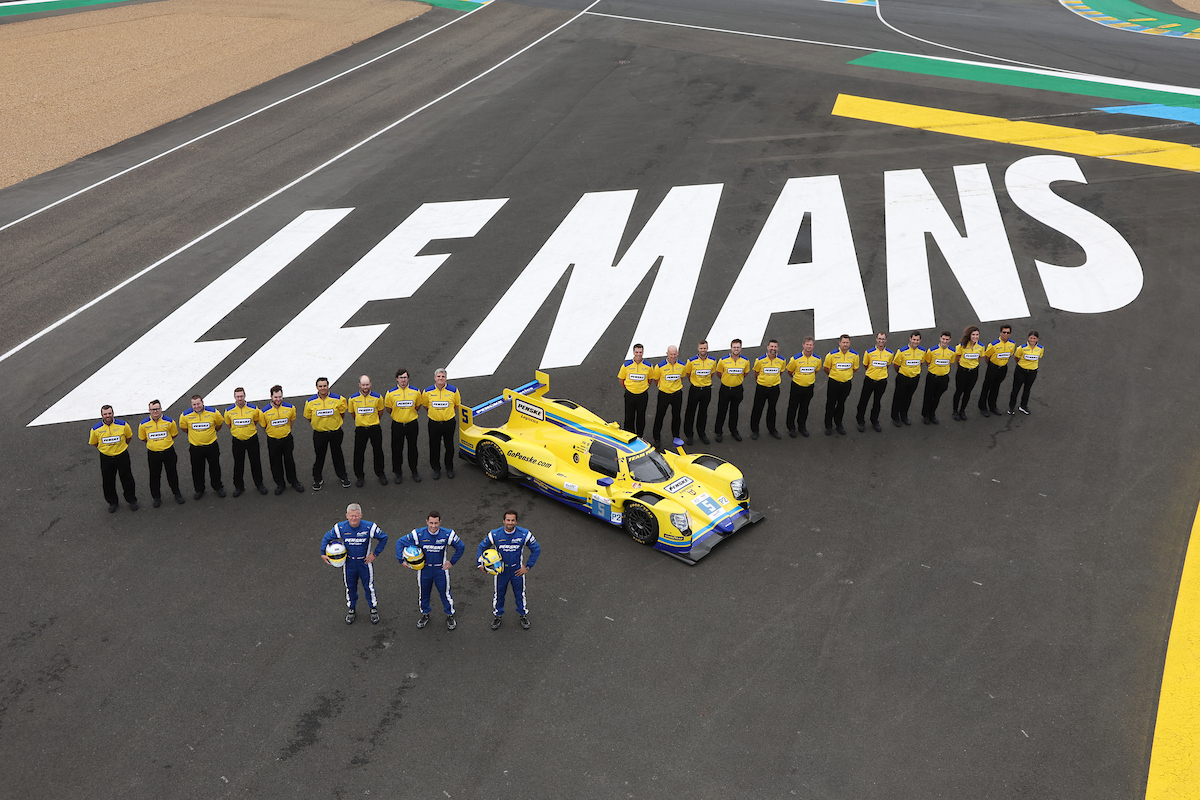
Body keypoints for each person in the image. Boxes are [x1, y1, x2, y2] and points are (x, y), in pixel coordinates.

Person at [394, 511, 465, 630]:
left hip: (440, 570)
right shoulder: (418, 534)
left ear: (440, 522)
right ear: (427, 522)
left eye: (436, 523)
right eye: (431, 523)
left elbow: (461, 547)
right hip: (424, 570)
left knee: (445, 593)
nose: (433, 526)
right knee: (424, 593)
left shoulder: (448, 534)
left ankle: (450, 615)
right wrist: (400, 560)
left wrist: (452, 562)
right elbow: (400, 542)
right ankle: (425, 614)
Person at [320, 503, 388, 625]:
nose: (354, 518)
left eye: (356, 516)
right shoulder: (340, 527)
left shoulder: (369, 527)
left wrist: (374, 554)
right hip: (349, 563)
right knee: (350, 587)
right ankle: (351, 609)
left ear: (361, 515)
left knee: (369, 587)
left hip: (364, 563)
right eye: (351, 516)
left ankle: (373, 609)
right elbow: (326, 537)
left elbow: (384, 537)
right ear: (347, 515)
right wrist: (322, 553)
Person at [476, 509, 541, 630]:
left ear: (516, 521)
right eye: (508, 520)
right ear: (503, 521)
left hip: (517, 571)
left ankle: (523, 614)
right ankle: (498, 615)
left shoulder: (524, 534)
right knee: (499, 595)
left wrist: (527, 566)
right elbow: (482, 546)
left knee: (520, 594)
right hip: (501, 572)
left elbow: (536, 549)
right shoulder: (495, 534)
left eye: (512, 520)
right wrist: (480, 564)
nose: (510, 523)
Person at [90, 404, 138, 512]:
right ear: (102, 415)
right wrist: (106, 450)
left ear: (113, 413)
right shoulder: (95, 429)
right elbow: (94, 443)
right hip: (106, 458)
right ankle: (112, 502)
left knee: (127, 479)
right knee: (108, 481)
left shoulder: (123, 425)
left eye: (109, 413)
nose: (108, 416)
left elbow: (129, 437)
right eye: (105, 414)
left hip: (122, 456)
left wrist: (121, 447)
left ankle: (132, 500)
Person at [304, 377, 349, 491]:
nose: (323, 388)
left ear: (328, 386)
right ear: (317, 387)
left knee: (337, 455)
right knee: (319, 457)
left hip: (335, 433)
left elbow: (342, 413)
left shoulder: (338, 399)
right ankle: (317, 479)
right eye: (320, 386)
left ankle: (343, 476)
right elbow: (309, 417)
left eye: (325, 385)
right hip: (319, 434)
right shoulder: (310, 402)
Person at [138, 399, 184, 507]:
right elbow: (143, 438)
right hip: (153, 454)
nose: (155, 411)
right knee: (154, 476)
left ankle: (177, 493)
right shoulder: (143, 424)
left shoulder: (169, 421)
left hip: (168, 452)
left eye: (157, 409)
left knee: (172, 474)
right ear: (149, 410)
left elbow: (174, 434)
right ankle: (156, 497)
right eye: (153, 409)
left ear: (161, 409)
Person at [261, 384, 304, 495]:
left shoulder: (290, 408)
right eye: (275, 397)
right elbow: (263, 426)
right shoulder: (264, 411)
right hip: (273, 440)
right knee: (275, 462)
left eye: (280, 397)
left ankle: (293, 481)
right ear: (271, 397)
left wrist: (285, 431)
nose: (278, 399)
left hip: (287, 439)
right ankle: (280, 484)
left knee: (289, 460)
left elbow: (291, 422)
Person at [179, 394, 225, 500]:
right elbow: (184, 428)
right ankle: (199, 489)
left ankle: (218, 487)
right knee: (197, 469)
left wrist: (211, 433)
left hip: (211, 446)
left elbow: (219, 424)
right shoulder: (185, 415)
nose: (196, 406)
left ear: (202, 402)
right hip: (196, 448)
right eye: (194, 404)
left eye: (198, 404)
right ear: (191, 405)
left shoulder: (214, 412)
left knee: (215, 467)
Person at [224, 388, 267, 497]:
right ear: (234, 397)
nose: (240, 399)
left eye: (241, 396)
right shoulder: (228, 411)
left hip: (252, 439)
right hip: (237, 441)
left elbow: (255, 421)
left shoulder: (254, 409)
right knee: (238, 464)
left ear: (245, 396)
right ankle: (239, 487)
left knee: (255, 463)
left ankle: (259, 484)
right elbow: (229, 424)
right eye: (237, 396)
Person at [383, 368, 423, 483]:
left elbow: (417, 406)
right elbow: (388, 409)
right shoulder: (390, 393)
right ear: (397, 379)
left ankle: (414, 471)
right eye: (401, 378)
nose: (403, 380)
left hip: (412, 424)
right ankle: (398, 473)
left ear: (408, 378)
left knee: (413, 448)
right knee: (397, 449)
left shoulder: (416, 391)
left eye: (405, 377)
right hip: (397, 425)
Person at [423, 369, 461, 480]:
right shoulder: (427, 391)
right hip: (434, 423)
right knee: (434, 446)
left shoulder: (454, 390)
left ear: (446, 378)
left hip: (449, 423)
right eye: (438, 376)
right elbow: (425, 405)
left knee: (449, 446)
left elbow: (456, 405)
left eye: (443, 376)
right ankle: (436, 468)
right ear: (435, 378)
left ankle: (449, 468)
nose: (440, 378)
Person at [350, 375, 387, 487]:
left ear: (370, 384)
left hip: (374, 428)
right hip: (360, 429)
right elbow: (353, 413)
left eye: (367, 384)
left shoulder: (378, 397)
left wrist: (373, 421)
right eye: (363, 385)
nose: (365, 387)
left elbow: (380, 411)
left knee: (378, 451)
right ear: (359, 385)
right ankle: (359, 476)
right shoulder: (353, 398)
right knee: (358, 453)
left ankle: (380, 473)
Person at [713, 339, 750, 442]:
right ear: (731, 348)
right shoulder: (723, 360)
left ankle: (733, 431)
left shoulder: (745, 361)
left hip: (737, 389)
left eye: (738, 347)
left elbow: (745, 373)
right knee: (722, 411)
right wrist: (727, 380)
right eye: (734, 347)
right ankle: (718, 432)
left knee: (734, 411)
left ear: (741, 348)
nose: (736, 349)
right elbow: (719, 373)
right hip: (725, 389)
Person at [822, 335, 859, 435]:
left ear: (849, 343)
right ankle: (828, 426)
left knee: (841, 404)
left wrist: (846, 375)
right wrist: (834, 375)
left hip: (846, 384)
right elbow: (826, 368)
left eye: (847, 343)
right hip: (833, 383)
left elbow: (855, 368)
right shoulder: (831, 354)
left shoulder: (854, 355)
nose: (845, 345)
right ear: (839, 343)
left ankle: (838, 424)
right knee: (830, 404)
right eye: (843, 342)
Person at [785, 337, 821, 437]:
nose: (809, 346)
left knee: (804, 407)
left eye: (811, 345)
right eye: (807, 344)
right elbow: (789, 371)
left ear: (813, 346)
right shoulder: (795, 359)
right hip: (796, 386)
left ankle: (802, 426)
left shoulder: (817, 359)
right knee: (793, 407)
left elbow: (816, 370)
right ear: (803, 345)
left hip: (809, 387)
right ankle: (791, 428)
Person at [749, 339, 785, 439]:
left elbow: (781, 372)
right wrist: (761, 381)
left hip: (774, 388)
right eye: (771, 346)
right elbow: (756, 373)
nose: (773, 348)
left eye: (775, 347)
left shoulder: (782, 360)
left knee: (772, 409)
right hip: (761, 388)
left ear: (778, 348)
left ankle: (772, 429)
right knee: (757, 409)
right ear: (768, 347)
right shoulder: (760, 360)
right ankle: (755, 430)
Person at [856, 332, 891, 433]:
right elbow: (866, 365)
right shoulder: (869, 352)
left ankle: (874, 420)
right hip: (869, 380)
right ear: (876, 339)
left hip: (882, 381)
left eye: (883, 339)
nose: (881, 341)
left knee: (877, 402)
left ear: (886, 340)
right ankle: (860, 421)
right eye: (879, 338)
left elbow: (887, 365)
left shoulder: (890, 353)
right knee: (863, 401)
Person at [978, 324, 1016, 417]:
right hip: (993, 368)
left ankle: (992, 406)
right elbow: (987, 356)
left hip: (1003, 368)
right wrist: (991, 365)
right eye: (1004, 332)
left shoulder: (1012, 344)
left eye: (1008, 332)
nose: (1006, 334)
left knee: (996, 387)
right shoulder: (993, 344)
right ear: (1000, 333)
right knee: (986, 387)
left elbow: (1010, 355)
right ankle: (982, 407)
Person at [683, 340, 716, 445]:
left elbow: (712, 373)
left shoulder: (713, 361)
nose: (703, 350)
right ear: (698, 349)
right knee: (690, 412)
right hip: (695, 389)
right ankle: (689, 435)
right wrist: (695, 382)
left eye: (704, 348)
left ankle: (702, 433)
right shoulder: (691, 361)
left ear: (707, 348)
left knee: (703, 412)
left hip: (706, 390)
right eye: (701, 348)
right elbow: (688, 374)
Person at [651, 346, 685, 446]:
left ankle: (676, 436)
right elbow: (656, 379)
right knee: (659, 416)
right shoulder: (660, 366)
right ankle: (657, 438)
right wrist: (662, 387)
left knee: (676, 416)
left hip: (677, 394)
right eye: (671, 354)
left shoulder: (682, 365)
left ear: (677, 353)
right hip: (664, 395)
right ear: (667, 354)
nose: (673, 356)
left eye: (675, 354)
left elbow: (682, 377)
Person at [890, 331, 925, 427]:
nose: (915, 342)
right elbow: (896, 364)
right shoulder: (902, 351)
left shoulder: (922, 351)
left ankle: (904, 415)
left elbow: (921, 362)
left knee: (908, 397)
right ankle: (895, 417)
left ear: (920, 340)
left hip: (915, 378)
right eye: (914, 339)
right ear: (910, 339)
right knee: (898, 397)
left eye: (917, 340)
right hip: (903, 378)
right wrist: (901, 372)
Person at [618, 344, 653, 437]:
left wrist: (642, 387)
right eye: (636, 352)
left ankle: (640, 436)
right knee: (629, 417)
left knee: (641, 417)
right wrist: (628, 388)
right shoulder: (626, 365)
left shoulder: (649, 366)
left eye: (640, 352)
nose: (638, 354)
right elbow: (621, 379)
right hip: (630, 395)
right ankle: (628, 436)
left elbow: (650, 380)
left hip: (642, 395)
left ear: (643, 353)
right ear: (633, 353)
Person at [921, 332, 955, 425]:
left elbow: (950, 363)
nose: (945, 341)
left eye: (947, 339)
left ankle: (932, 414)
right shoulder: (932, 350)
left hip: (944, 378)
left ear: (950, 340)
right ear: (940, 338)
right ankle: (926, 415)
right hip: (932, 377)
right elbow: (928, 362)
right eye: (943, 339)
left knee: (937, 397)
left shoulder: (952, 351)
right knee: (928, 396)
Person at [951, 326, 984, 421]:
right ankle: (955, 411)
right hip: (962, 371)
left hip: (973, 372)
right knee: (959, 391)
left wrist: (972, 365)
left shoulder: (981, 346)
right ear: (969, 335)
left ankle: (962, 410)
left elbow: (980, 357)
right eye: (973, 334)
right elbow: (957, 358)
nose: (975, 337)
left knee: (968, 392)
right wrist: (962, 367)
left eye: (977, 335)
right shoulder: (961, 346)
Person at [1008, 331, 1044, 415]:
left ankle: (1023, 406)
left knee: (1027, 390)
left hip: (1032, 372)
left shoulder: (1041, 348)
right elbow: (1016, 357)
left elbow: (1039, 356)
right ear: (1028, 338)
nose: (1032, 340)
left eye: (1034, 338)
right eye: (1031, 338)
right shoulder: (1021, 348)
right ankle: (1011, 407)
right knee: (1015, 389)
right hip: (1021, 371)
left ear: (1037, 339)